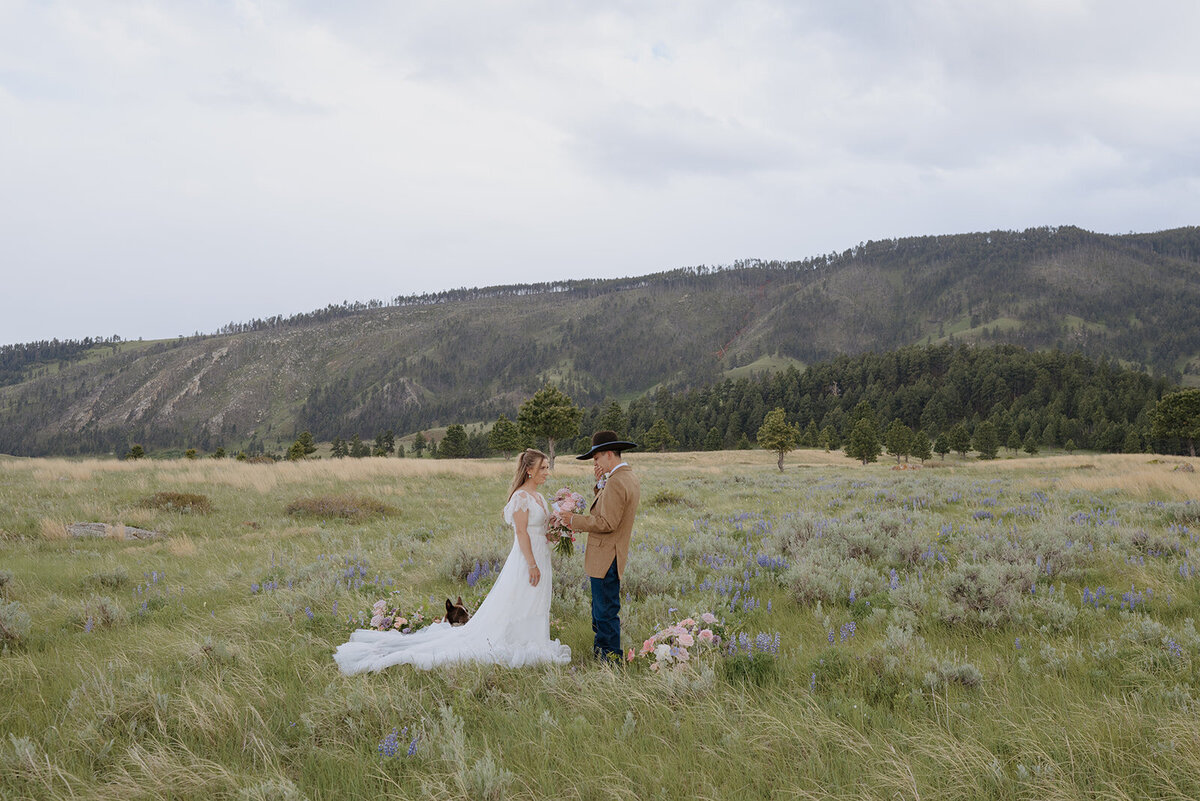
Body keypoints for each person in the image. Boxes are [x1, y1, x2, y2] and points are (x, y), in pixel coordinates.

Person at [333, 449, 570, 674]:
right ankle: (515, 641)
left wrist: (562, 530)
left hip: (542, 554)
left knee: (536, 600)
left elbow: (542, 531)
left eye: (548, 467)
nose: (548, 472)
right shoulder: (521, 498)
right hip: (526, 558)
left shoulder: (539, 497)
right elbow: (521, 533)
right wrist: (531, 564)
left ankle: (534, 640)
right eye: (543, 467)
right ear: (529, 469)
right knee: (520, 599)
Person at [559, 430, 641, 661]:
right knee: (603, 610)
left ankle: (609, 660)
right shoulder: (625, 477)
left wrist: (572, 520)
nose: (595, 463)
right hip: (611, 555)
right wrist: (599, 485)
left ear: (607, 455)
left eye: (596, 458)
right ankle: (604, 655)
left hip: (606, 557)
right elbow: (610, 508)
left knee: (604, 613)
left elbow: (607, 522)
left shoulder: (616, 481)